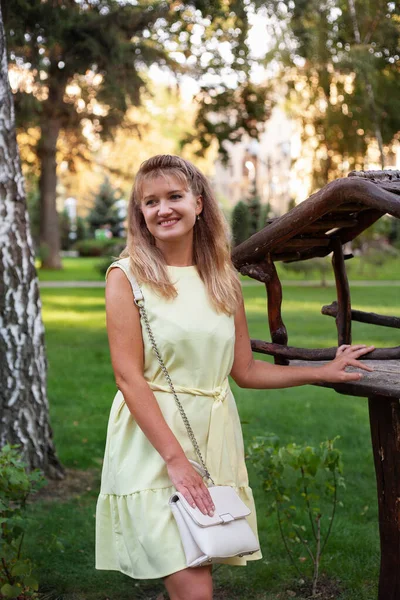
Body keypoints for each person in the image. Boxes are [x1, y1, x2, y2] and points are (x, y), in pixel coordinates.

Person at [95, 154, 374, 600]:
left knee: (197, 566)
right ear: (140, 213)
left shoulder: (222, 279)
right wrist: (174, 459)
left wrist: (322, 369)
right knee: (193, 585)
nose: (163, 209)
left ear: (199, 203)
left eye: (174, 196)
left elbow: (243, 371)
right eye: (150, 202)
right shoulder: (127, 277)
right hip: (153, 442)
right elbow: (128, 378)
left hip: (213, 436)